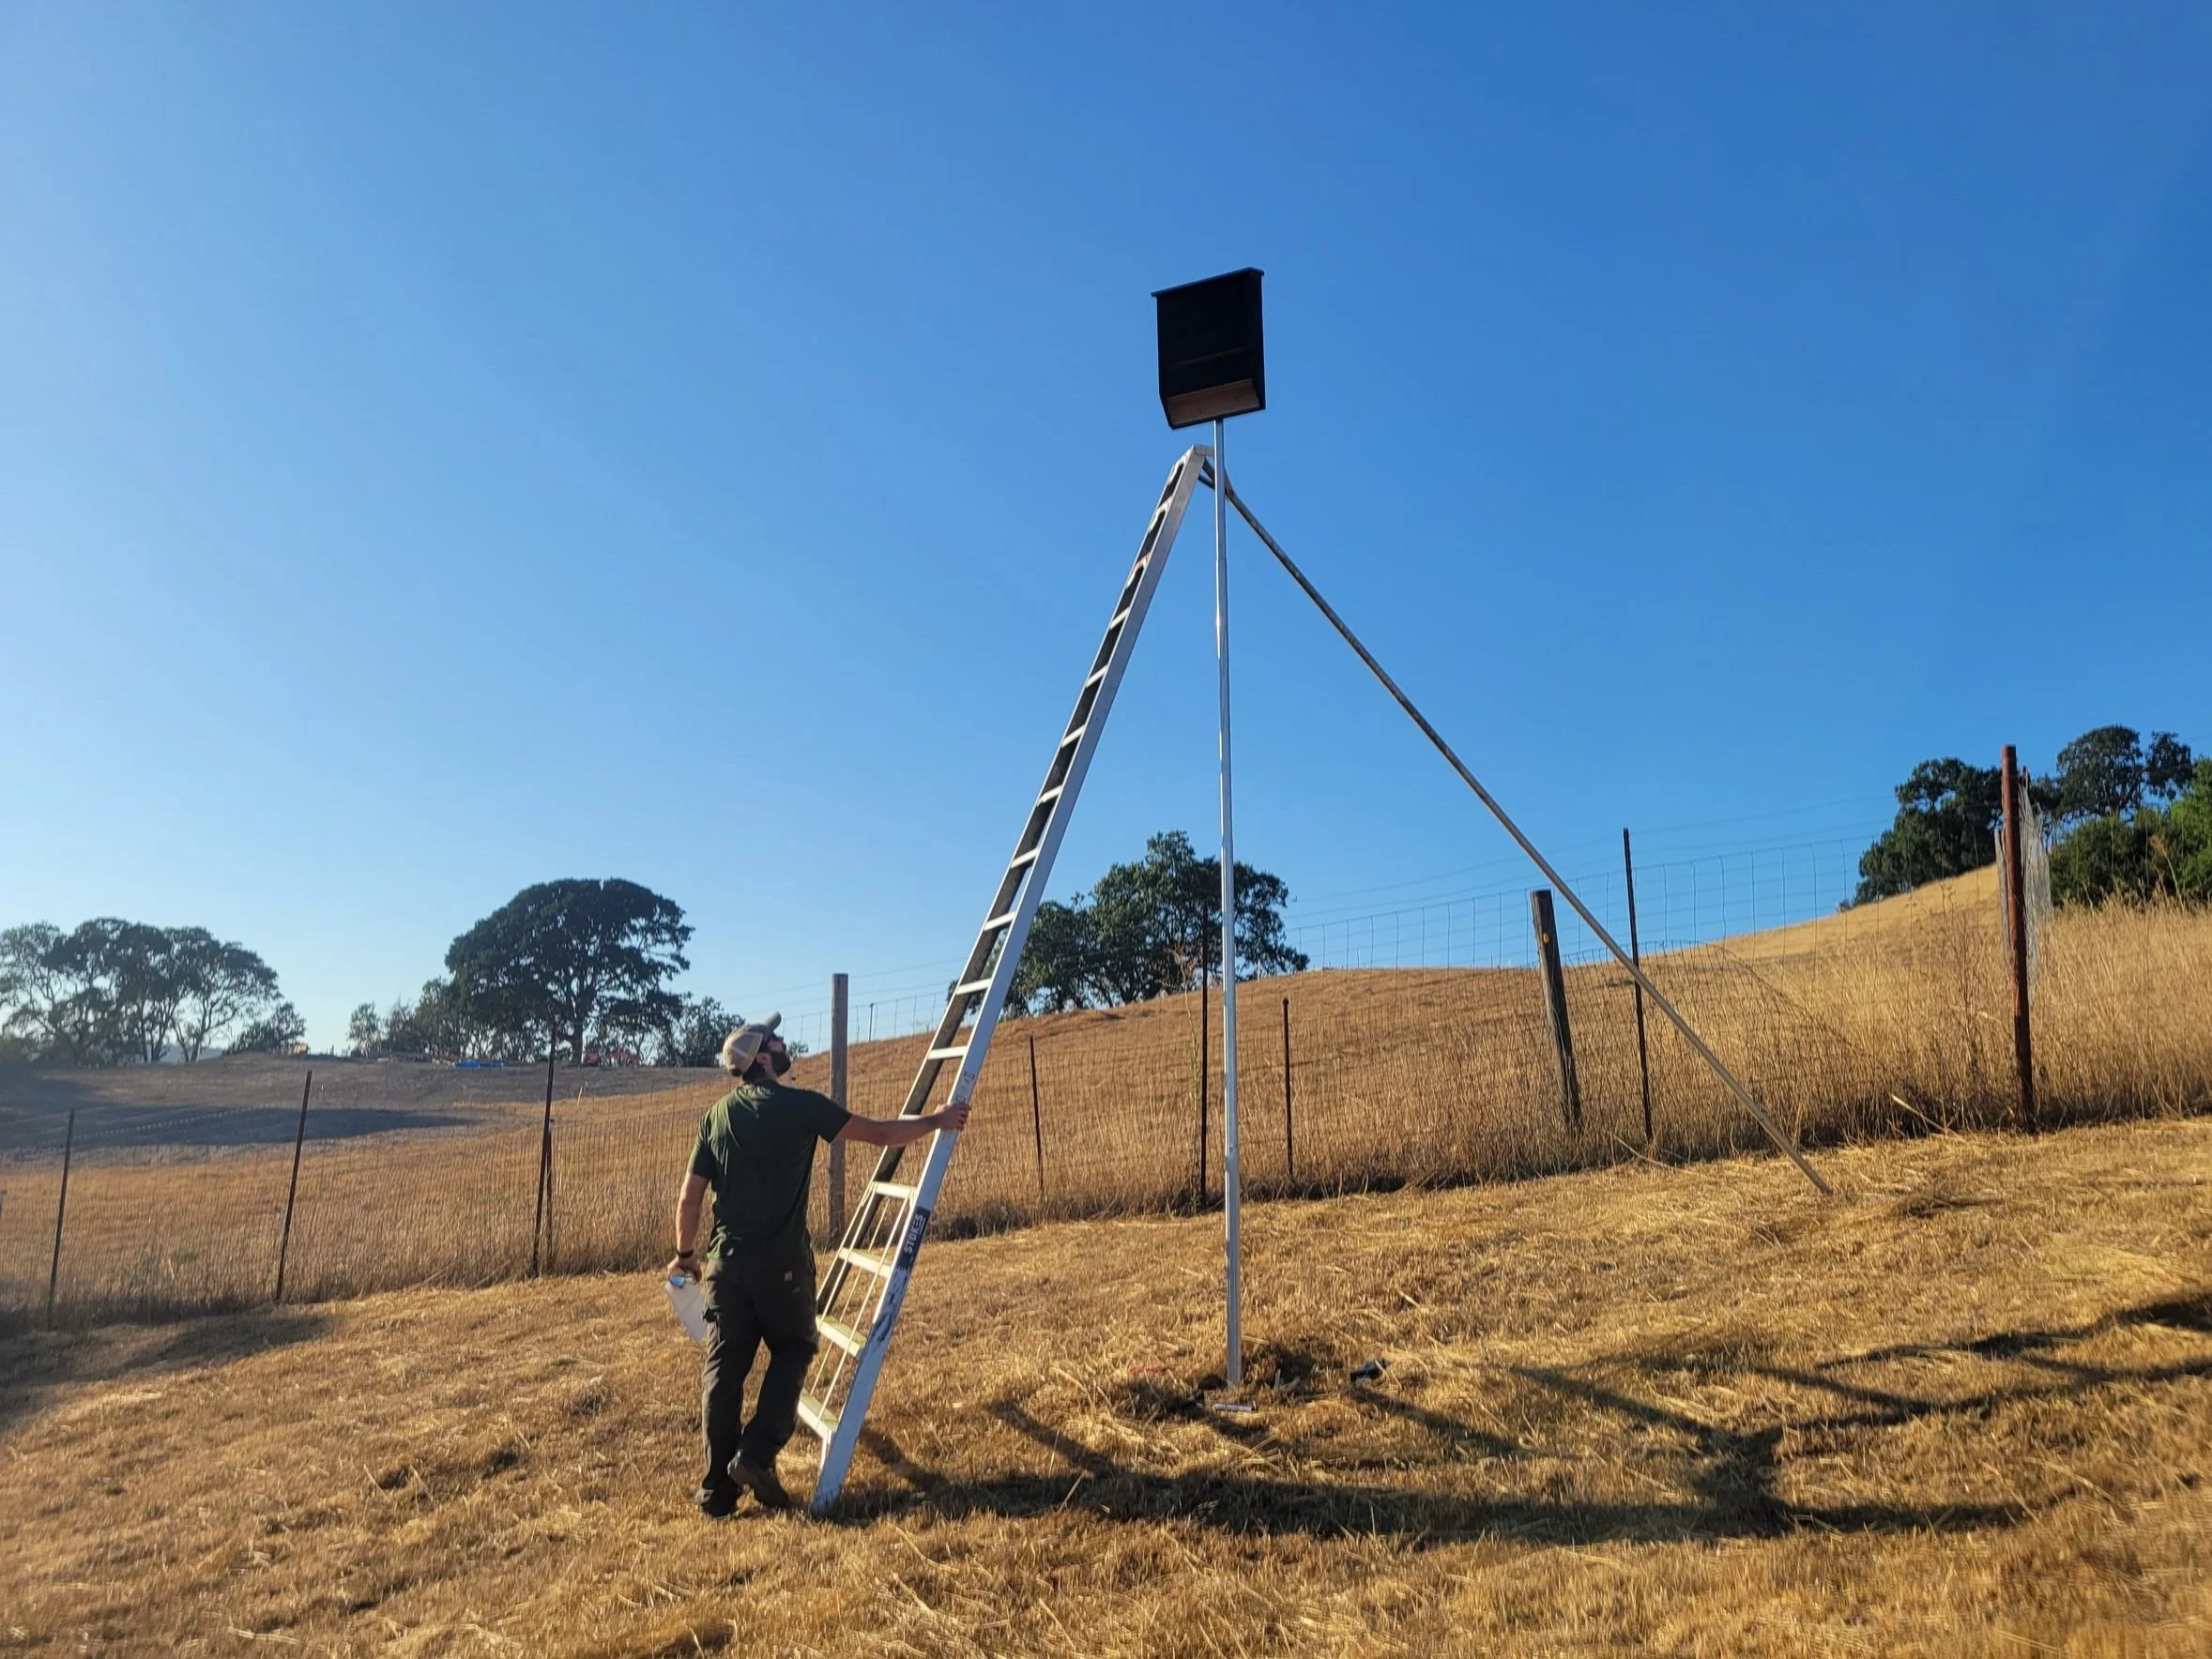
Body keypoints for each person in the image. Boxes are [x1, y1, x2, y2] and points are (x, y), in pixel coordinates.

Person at [666, 1012, 969, 1517]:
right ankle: (756, 1454)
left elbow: (689, 1199)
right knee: (794, 1345)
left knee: (722, 1371)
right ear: (762, 1057)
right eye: (777, 1040)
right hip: (781, 1266)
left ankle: (717, 1493)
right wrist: (936, 1122)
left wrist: (684, 1257)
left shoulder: (716, 1116)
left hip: (723, 1267)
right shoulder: (800, 1106)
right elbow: (877, 1134)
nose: (786, 1045)